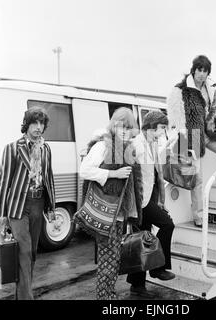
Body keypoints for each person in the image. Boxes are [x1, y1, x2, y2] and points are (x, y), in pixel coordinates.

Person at [167, 55, 216, 227]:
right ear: (194, 69)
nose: (201, 73)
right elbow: (176, 119)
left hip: (207, 133)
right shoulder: (180, 90)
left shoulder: (210, 88)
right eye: (199, 69)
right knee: (198, 177)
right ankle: (199, 216)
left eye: (205, 70)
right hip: (191, 136)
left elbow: (215, 107)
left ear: (208, 73)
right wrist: (187, 144)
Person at [80, 107, 143, 300]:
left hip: (119, 213)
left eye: (128, 127)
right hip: (106, 212)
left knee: (114, 257)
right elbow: (84, 170)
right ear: (113, 126)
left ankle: (109, 295)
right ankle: (104, 298)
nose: (124, 131)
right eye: (120, 126)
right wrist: (112, 174)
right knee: (108, 258)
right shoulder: (103, 146)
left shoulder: (127, 149)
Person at [0, 107, 56, 300]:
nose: (39, 127)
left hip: (38, 203)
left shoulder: (46, 148)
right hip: (18, 206)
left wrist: (52, 208)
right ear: (27, 124)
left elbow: (49, 178)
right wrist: (2, 215)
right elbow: (4, 182)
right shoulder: (13, 148)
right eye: (34, 123)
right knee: (24, 252)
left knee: (32, 253)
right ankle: (26, 297)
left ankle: (21, 293)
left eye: (42, 124)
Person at [126, 110, 175, 298]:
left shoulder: (152, 144)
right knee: (166, 225)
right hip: (140, 202)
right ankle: (158, 268)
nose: (162, 132)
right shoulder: (136, 145)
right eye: (161, 128)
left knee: (142, 241)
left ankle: (137, 285)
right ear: (151, 126)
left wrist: (159, 201)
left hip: (149, 199)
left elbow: (155, 176)